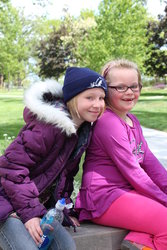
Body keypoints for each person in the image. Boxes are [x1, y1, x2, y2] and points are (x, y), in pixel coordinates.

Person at [0, 67, 107, 250]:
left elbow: (65, 176)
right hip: (6, 204)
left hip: (32, 205)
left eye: (101, 98)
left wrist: (63, 211)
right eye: (89, 98)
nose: (97, 104)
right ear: (73, 98)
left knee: (66, 246)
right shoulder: (47, 128)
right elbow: (11, 169)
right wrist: (30, 214)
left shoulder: (82, 131)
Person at [75, 59, 167, 250]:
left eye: (134, 86)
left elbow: (150, 163)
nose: (129, 92)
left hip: (124, 193)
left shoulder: (132, 120)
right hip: (103, 198)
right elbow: (133, 171)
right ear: (106, 90)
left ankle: (138, 243)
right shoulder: (109, 122)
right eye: (121, 87)